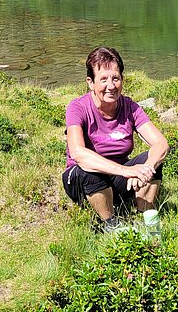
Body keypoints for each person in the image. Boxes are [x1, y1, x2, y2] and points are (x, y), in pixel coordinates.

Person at [62, 47, 168, 232]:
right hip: (81, 179)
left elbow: (161, 144)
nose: (111, 86)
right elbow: (78, 153)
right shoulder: (77, 107)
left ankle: (145, 217)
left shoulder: (130, 107)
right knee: (89, 170)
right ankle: (110, 224)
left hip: (118, 179)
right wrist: (126, 171)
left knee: (153, 160)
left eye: (115, 78)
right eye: (103, 79)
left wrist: (145, 169)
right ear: (90, 82)